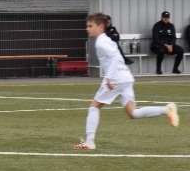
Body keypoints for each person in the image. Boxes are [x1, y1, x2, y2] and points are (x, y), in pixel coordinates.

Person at [74, 13, 178, 150]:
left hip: (117, 78)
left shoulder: (101, 42)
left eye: (90, 26)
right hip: (125, 77)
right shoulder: (105, 39)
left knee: (94, 107)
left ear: (100, 26)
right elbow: (117, 56)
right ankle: (166, 109)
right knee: (132, 113)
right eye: (87, 26)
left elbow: (116, 58)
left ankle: (90, 142)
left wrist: (109, 77)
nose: (87, 29)